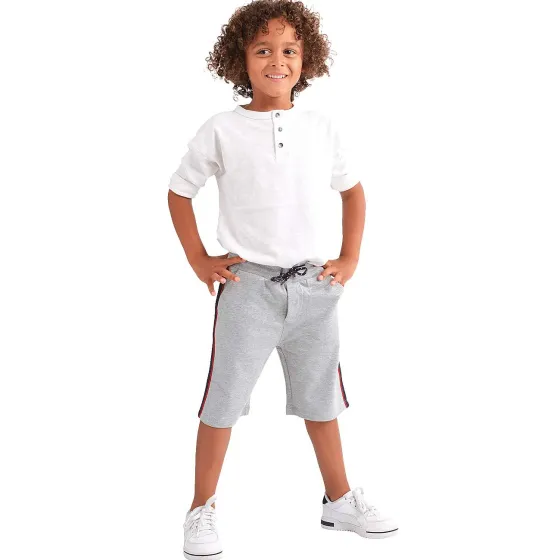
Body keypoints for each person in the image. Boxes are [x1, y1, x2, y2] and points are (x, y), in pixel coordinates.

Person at [167, 2, 398, 558]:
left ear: (306, 59)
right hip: (248, 289)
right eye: (263, 50)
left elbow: (353, 192)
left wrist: (349, 259)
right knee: (223, 401)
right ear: (240, 59)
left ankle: (338, 500)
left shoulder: (321, 127)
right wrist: (199, 259)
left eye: (289, 50)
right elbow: (179, 191)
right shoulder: (222, 129)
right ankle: (201, 507)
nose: (277, 60)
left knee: (323, 399)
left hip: (315, 290)